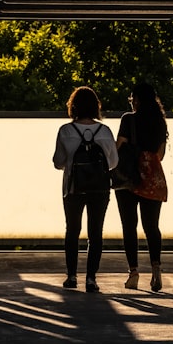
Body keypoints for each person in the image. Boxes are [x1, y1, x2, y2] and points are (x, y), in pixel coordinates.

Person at [53, 86, 119, 293]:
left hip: (73, 187)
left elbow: (58, 162)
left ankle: (71, 276)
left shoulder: (66, 131)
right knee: (95, 232)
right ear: (95, 107)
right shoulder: (105, 132)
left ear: (73, 107)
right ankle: (91, 278)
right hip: (100, 189)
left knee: (72, 230)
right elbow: (113, 163)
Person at [115, 82, 169, 291]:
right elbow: (161, 155)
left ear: (136, 99)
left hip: (128, 178)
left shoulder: (128, 119)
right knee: (152, 227)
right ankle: (156, 270)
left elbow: (119, 145)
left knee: (130, 226)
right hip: (152, 178)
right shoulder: (160, 122)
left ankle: (134, 273)